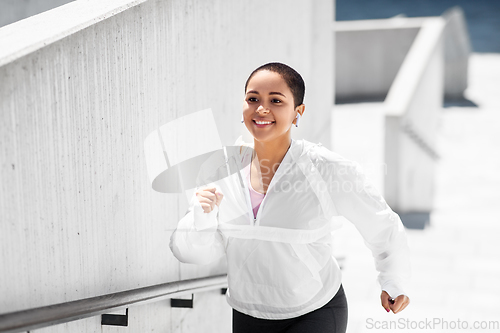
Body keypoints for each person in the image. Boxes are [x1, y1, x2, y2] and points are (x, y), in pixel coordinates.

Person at [169, 62, 411, 333]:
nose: (262, 109)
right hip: (248, 312)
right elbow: (193, 253)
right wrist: (202, 218)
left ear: (298, 112)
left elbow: (382, 224)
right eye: (253, 99)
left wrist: (394, 280)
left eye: (276, 100)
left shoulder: (325, 168)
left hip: (314, 311)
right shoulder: (221, 168)